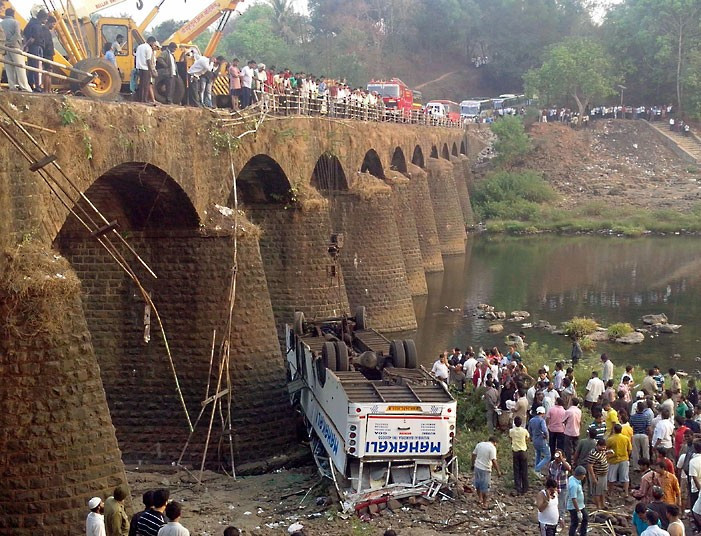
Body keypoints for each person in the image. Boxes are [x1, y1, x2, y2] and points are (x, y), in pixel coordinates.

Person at [1, 9, 32, 92]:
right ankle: (24, 87)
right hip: (14, 47)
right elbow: (17, 35)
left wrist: (5, 43)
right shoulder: (16, 22)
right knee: (20, 67)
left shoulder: (1, 23)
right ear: (13, 14)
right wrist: (11, 43)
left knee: (9, 68)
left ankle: (12, 86)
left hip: (4, 48)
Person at [472, 436, 502, 508]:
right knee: (485, 487)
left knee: (478, 484)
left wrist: (472, 464)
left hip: (477, 467)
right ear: (495, 442)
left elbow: (473, 454)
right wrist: (498, 471)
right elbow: (493, 461)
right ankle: (485, 503)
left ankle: (480, 499)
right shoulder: (492, 448)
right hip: (486, 469)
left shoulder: (480, 444)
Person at [542, 450, 571, 524]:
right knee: (553, 503)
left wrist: (562, 459)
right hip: (553, 488)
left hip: (562, 487)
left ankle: (561, 519)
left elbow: (569, 468)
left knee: (561, 504)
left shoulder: (563, 465)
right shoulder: (551, 464)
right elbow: (549, 475)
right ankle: (553, 518)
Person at [22, 9, 47, 91]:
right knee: (38, 67)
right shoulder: (38, 26)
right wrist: (26, 45)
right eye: (45, 19)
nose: (46, 21)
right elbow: (33, 38)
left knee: (30, 66)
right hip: (37, 47)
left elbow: (24, 33)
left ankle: (30, 84)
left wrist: (25, 45)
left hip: (31, 48)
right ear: (43, 18)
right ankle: (38, 86)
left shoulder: (30, 23)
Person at [607, 423, 632, 495]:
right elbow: (629, 449)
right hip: (624, 459)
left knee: (611, 478)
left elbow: (606, 449)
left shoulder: (610, 439)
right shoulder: (626, 438)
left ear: (614, 430)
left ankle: (610, 492)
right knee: (625, 477)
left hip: (613, 460)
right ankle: (626, 493)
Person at [509, 416, 530, 494]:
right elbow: (528, 437)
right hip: (523, 451)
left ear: (514, 423)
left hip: (515, 451)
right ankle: (525, 488)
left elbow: (510, 438)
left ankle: (518, 487)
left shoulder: (511, 431)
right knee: (524, 470)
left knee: (516, 470)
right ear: (521, 423)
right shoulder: (524, 431)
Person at [135, 37, 158, 104]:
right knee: (146, 85)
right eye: (153, 43)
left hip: (139, 67)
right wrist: (151, 71)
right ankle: (144, 100)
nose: (153, 44)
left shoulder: (139, 47)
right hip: (145, 68)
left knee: (141, 84)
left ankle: (140, 99)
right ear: (151, 42)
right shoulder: (148, 48)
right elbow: (148, 60)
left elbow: (136, 57)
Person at [587, 439, 609, 509]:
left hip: (603, 474)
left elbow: (605, 455)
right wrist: (593, 478)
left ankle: (603, 504)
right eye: (602, 447)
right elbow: (590, 466)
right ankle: (598, 506)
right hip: (597, 475)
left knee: (603, 490)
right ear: (598, 446)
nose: (603, 448)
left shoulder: (602, 451)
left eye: (604, 447)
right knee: (597, 492)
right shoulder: (593, 453)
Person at [631, 400, 653, 469]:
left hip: (635, 434)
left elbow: (631, 426)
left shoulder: (633, 417)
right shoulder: (646, 416)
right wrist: (650, 436)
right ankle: (646, 465)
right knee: (645, 452)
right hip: (644, 435)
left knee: (636, 452)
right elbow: (649, 427)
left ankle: (637, 467)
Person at [567, 466, 588, 536]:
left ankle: (583, 533)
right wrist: (578, 511)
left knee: (585, 518)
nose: (584, 476)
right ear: (579, 475)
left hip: (581, 505)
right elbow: (573, 498)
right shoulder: (573, 485)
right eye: (583, 475)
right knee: (574, 523)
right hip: (574, 507)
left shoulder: (574, 479)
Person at [529, 406, 550, 473]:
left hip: (534, 439)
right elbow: (545, 430)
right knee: (548, 456)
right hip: (541, 440)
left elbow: (529, 430)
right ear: (543, 413)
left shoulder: (531, 420)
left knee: (538, 454)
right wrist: (546, 437)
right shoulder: (542, 421)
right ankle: (537, 468)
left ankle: (537, 471)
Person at [39, 15, 56, 93]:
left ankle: (48, 90)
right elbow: (47, 43)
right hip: (47, 54)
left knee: (48, 72)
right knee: (48, 72)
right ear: (49, 23)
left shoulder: (43, 30)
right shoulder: (45, 31)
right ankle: (47, 90)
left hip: (46, 53)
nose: (53, 26)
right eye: (53, 24)